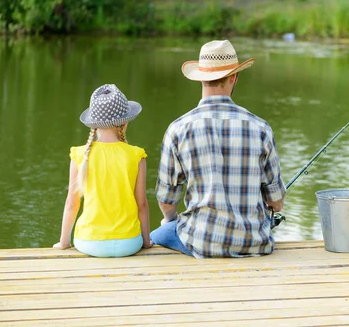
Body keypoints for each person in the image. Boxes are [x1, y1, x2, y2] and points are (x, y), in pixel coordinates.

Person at [151, 40, 286, 258]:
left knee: (156, 235)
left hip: (199, 242)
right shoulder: (260, 128)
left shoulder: (178, 129)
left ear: (201, 78)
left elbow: (167, 200)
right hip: (254, 243)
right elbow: (276, 202)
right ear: (233, 76)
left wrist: (170, 219)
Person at [53, 84, 152, 257]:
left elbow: (72, 203)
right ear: (125, 122)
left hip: (89, 242)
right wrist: (145, 241)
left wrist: (64, 243)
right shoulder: (136, 155)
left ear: (94, 125)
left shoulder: (80, 154)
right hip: (129, 243)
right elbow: (142, 204)